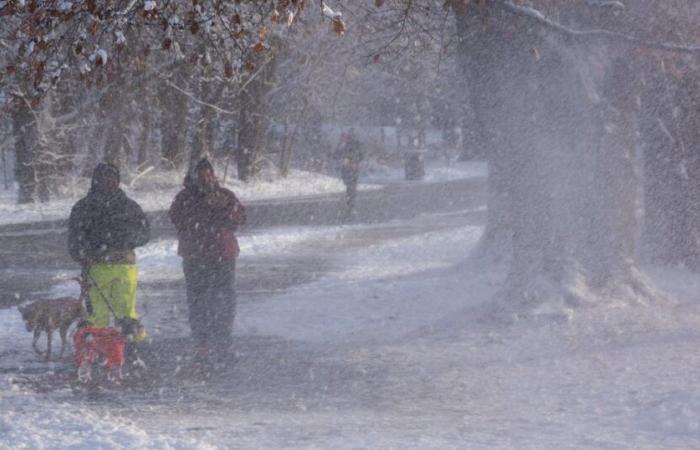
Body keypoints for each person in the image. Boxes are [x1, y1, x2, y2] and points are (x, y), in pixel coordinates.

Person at [169, 158, 246, 363]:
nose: (206, 178)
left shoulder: (226, 195)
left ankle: (223, 339)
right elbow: (177, 219)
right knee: (198, 299)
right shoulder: (185, 198)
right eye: (202, 174)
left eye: (209, 174)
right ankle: (201, 342)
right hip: (196, 256)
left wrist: (223, 210)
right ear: (194, 177)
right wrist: (203, 209)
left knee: (225, 299)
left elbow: (239, 218)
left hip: (223, 254)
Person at [68, 163, 150, 347]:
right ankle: (98, 350)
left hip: (124, 267)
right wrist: (85, 254)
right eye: (104, 178)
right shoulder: (83, 208)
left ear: (118, 181)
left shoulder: (129, 206)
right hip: (96, 269)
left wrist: (125, 240)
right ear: (96, 181)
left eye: (113, 178)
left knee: (127, 313)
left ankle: (134, 349)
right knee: (97, 315)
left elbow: (144, 233)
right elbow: (74, 241)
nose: (109, 182)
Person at [335, 128, 363, 218]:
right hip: (348, 169)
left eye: (354, 135)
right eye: (352, 134)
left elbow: (362, 155)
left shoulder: (356, 144)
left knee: (351, 187)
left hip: (352, 169)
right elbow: (337, 154)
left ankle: (350, 205)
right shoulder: (346, 144)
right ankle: (350, 205)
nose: (353, 136)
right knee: (350, 187)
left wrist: (356, 162)